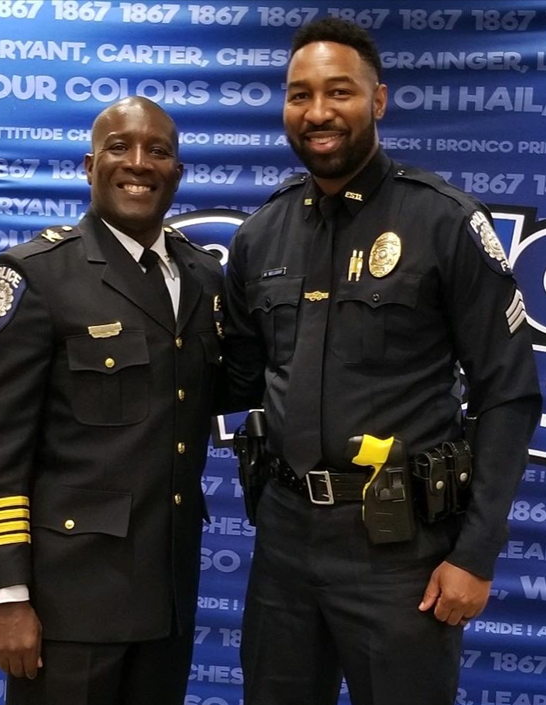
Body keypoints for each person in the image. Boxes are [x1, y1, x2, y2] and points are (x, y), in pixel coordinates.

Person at [224, 18, 542, 705]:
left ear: (378, 100)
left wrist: (475, 554)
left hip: (401, 552)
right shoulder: (260, 234)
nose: (317, 112)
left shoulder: (444, 221)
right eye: (299, 95)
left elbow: (508, 394)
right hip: (284, 548)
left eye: (338, 91)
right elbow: (237, 376)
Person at [0, 96, 225, 705]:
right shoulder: (38, 274)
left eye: (158, 151)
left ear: (177, 173)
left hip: (166, 601)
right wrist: (8, 598)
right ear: (90, 166)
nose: (139, 162)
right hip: (68, 608)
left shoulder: (201, 276)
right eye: (120, 147)